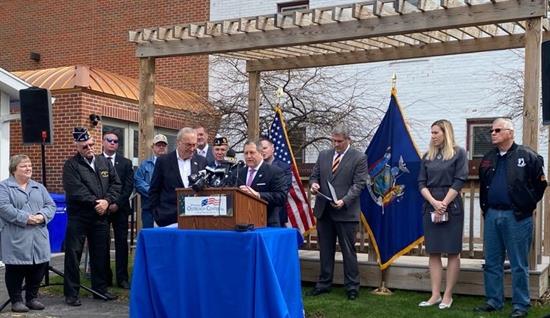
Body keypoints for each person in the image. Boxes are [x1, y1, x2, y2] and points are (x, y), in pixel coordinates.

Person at [474, 118, 546, 318]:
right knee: (492, 261)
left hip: (517, 217)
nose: (493, 133)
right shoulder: (488, 158)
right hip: (492, 216)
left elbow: (540, 185)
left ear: (510, 133)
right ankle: (494, 301)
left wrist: (527, 204)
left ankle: (521, 305)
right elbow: (483, 185)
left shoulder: (528, 156)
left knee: (518, 263)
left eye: (497, 130)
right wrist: (486, 210)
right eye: (491, 130)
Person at [308, 125, 368, 301]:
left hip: (346, 212)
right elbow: (314, 176)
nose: (336, 144)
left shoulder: (359, 157)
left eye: (339, 141)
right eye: (333, 141)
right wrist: (314, 185)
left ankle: (352, 286)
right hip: (324, 211)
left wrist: (344, 200)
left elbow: (359, 184)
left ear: (348, 139)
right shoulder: (324, 155)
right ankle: (324, 283)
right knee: (325, 250)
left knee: (348, 251)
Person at [62, 127, 121, 306]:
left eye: (90, 144)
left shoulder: (104, 162)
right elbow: (75, 190)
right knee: (73, 254)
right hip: (79, 216)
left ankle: (100, 290)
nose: (89, 148)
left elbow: (116, 184)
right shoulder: (71, 165)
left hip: (100, 217)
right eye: (84, 146)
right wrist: (98, 203)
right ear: (77, 146)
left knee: (101, 254)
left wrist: (108, 201)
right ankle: (71, 294)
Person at [417, 119, 468, 310]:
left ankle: (448, 295)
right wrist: (434, 203)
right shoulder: (427, 156)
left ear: (445, 133)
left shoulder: (458, 153)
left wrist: (444, 203)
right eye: (431, 133)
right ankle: (435, 294)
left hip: (452, 205)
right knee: (434, 251)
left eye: (436, 132)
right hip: (431, 204)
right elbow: (421, 183)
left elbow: (460, 179)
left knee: (453, 251)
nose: (433, 136)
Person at [0, 155, 56, 312]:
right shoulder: (4, 187)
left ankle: (32, 298)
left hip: (38, 236)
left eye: (30, 165)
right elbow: (4, 207)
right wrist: (26, 218)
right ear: (13, 170)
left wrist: (41, 216)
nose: (28, 168)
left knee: (39, 266)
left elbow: (50, 205)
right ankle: (16, 301)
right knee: (16, 269)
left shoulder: (39, 187)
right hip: (16, 236)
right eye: (24, 166)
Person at [150, 127, 207, 227]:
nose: (192, 148)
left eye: (194, 145)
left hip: (195, 220)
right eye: (188, 145)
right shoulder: (163, 161)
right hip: (167, 220)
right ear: (178, 143)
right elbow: (154, 190)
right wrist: (157, 214)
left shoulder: (202, 161)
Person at [101, 131, 134, 289]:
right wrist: (105, 203)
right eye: (109, 140)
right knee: (102, 244)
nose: (113, 143)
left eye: (115, 141)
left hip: (120, 210)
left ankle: (122, 278)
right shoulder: (96, 161)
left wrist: (117, 203)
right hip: (101, 210)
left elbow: (128, 186)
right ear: (103, 142)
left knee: (121, 244)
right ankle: (105, 278)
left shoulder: (126, 163)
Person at [236, 140, 287, 227]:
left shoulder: (274, 172)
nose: (248, 156)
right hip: (242, 224)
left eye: (252, 153)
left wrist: (258, 195)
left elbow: (281, 197)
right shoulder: (238, 173)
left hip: (267, 223)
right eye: (246, 153)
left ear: (261, 154)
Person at [134, 134, 168, 228]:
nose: (161, 147)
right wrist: (154, 192)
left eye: (163, 145)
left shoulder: (172, 164)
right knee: (149, 235)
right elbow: (138, 182)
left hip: (166, 208)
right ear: (153, 147)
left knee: (165, 236)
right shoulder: (145, 165)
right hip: (149, 209)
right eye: (158, 145)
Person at [259, 137, 292, 225]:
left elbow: (284, 189)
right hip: (257, 212)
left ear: (273, 148)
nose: (262, 151)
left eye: (265, 148)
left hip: (276, 214)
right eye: (260, 149)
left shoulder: (284, 167)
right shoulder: (254, 168)